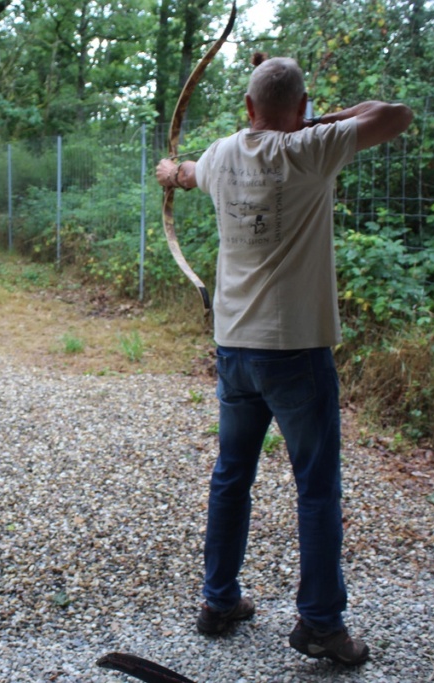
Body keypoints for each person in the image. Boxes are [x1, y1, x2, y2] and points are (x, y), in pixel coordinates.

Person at [156, 56, 413, 666]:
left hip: (236, 352)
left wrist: (171, 171)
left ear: (247, 109)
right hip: (295, 353)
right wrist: (319, 119)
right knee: (317, 490)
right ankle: (321, 625)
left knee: (231, 477)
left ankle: (219, 601)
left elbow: (187, 171)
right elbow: (395, 115)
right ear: (300, 110)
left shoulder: (220, 155)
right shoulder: (311, 149)